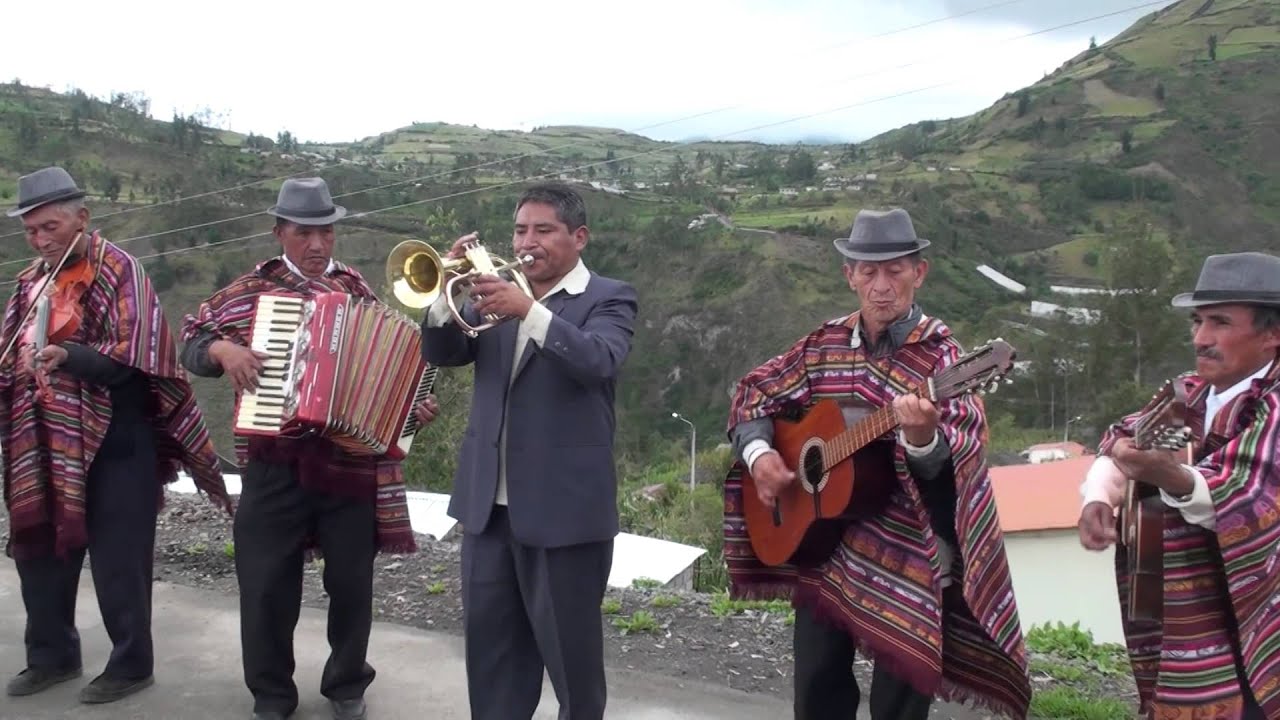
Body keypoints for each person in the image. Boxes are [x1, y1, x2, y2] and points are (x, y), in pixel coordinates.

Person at [722, 208, 1032, 720]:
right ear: (850, 276)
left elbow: (962, 465)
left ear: (920, 273)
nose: (881, 285)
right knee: (816, 693)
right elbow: (755, 393)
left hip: (908, 553)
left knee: (898, 706)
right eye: (868, 271)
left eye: (895, 270)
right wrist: (760, 456)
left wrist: (922, 438)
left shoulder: (943, 359)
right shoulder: (823, 345)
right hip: (825, 544)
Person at [180, 177, 439, 720]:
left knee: (351, 583)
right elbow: (193, 340)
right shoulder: (251, 291)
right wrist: (224, 349)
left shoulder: (354, 288)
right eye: (305, 233)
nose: (318, 245)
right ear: (280, 233)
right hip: (275, 463)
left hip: (347, 463)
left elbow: (388, 362)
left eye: (326, 232)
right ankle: (272, 695)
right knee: (266, 585)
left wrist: (409, 404)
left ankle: (347, 683)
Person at [0, 166, 231, 703]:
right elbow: (13, 349)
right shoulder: (30, 282)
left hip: (117, 439)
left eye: (50, 227)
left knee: (119, 559)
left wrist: (70, 355)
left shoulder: (120, 270)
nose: (40, 239)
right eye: (31, 231)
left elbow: (142, 355)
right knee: (41, 552)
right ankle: (51, 656)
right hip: (45, 440)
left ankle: (131, 665)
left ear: (82, 218)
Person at [419, 181, 637, 720]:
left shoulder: (609, 296)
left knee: (573, 668)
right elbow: (443, 353)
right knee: (492, 661)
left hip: (565, 515)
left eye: (544, 230)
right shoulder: (495, 293)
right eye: (520, 229)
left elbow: (598, 360)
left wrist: (530, 312)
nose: (528, 241)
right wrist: (445, 298)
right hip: (487, 511)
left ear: (578, 237)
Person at [1078, 251, 1280, 719]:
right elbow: (1122, 445)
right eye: (1198, 321)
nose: (1201, 338)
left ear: (1273, 335)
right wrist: (1099, 497)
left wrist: (1170, 477)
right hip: (1193, 620)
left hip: (1258, 619)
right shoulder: (1188, 396)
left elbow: (1250, 495)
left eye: (1221, 323)